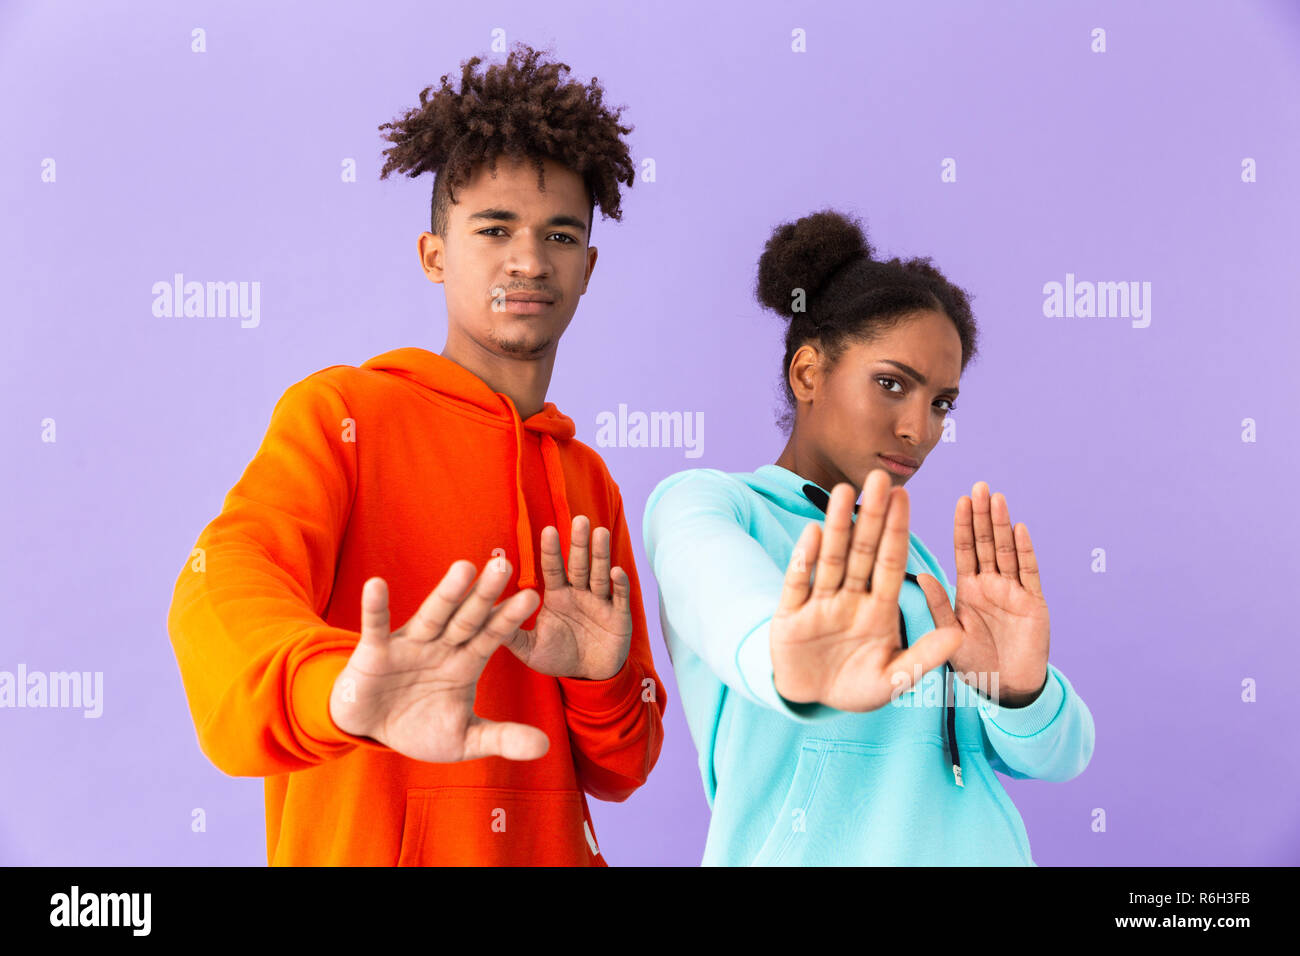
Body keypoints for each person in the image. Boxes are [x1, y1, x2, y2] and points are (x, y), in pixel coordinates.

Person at [167, 42, 665, 866]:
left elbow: (624, 768)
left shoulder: (588, 481)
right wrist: (338, 689)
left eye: (559, 234)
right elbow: (220, 582)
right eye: (494, 229)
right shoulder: (343, 416)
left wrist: (598, 679)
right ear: (435, 255)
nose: (528, 260)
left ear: (587, 268)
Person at [642, 209, 1094, 865]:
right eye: (891, 384)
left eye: (941, 403)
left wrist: (1018, 690)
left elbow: (1060, 757)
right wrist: (791, 660)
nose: (920, 429)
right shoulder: (713, 503)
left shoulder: (918, 568)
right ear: (808, 374)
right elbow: (723, 595)